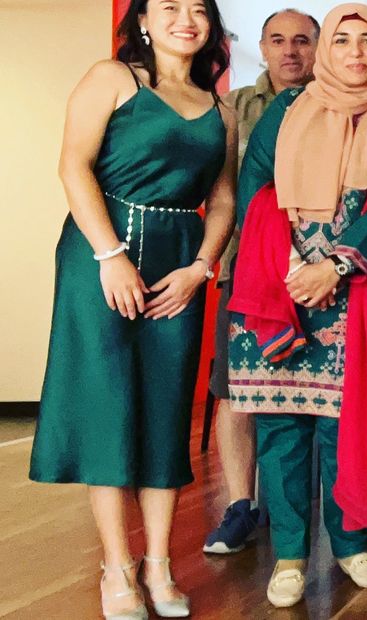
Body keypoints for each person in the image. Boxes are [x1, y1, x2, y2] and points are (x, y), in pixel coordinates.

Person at [28, 0, 234, 617]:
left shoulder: (220, 111)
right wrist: (110, 254)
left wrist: (201, 269)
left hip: (178, 263)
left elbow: (222, 201)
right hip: (99, 255)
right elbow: (73, 166)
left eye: (198, 8)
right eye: (169, 6)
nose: (185, 18)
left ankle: (159, 566)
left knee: (167, 406)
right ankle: (117, 568)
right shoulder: (111, 78)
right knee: (109, 402)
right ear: (143, 20)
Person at [227, 3, 367, 606]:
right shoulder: (289, 108)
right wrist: (290, 264)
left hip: (353, 288)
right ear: (325, 51)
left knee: (345, 425)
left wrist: (336, 265)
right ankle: (290, 552)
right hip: (280, 282)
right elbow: (254, 189)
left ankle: (348, 541)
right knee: (280, 424)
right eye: (343, 41)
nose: (356, 53)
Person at [204, 7, 319, 556]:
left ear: (319, 49)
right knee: (237, 394)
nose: (290, 50)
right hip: (245, 269)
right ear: (263, 48)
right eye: (278, 40)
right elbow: (221, 190)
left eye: (302, 40)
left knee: (311, 396)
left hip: (321, 278)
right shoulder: (232, 108)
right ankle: (239, 504)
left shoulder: (338, 106)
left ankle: (295, 504)